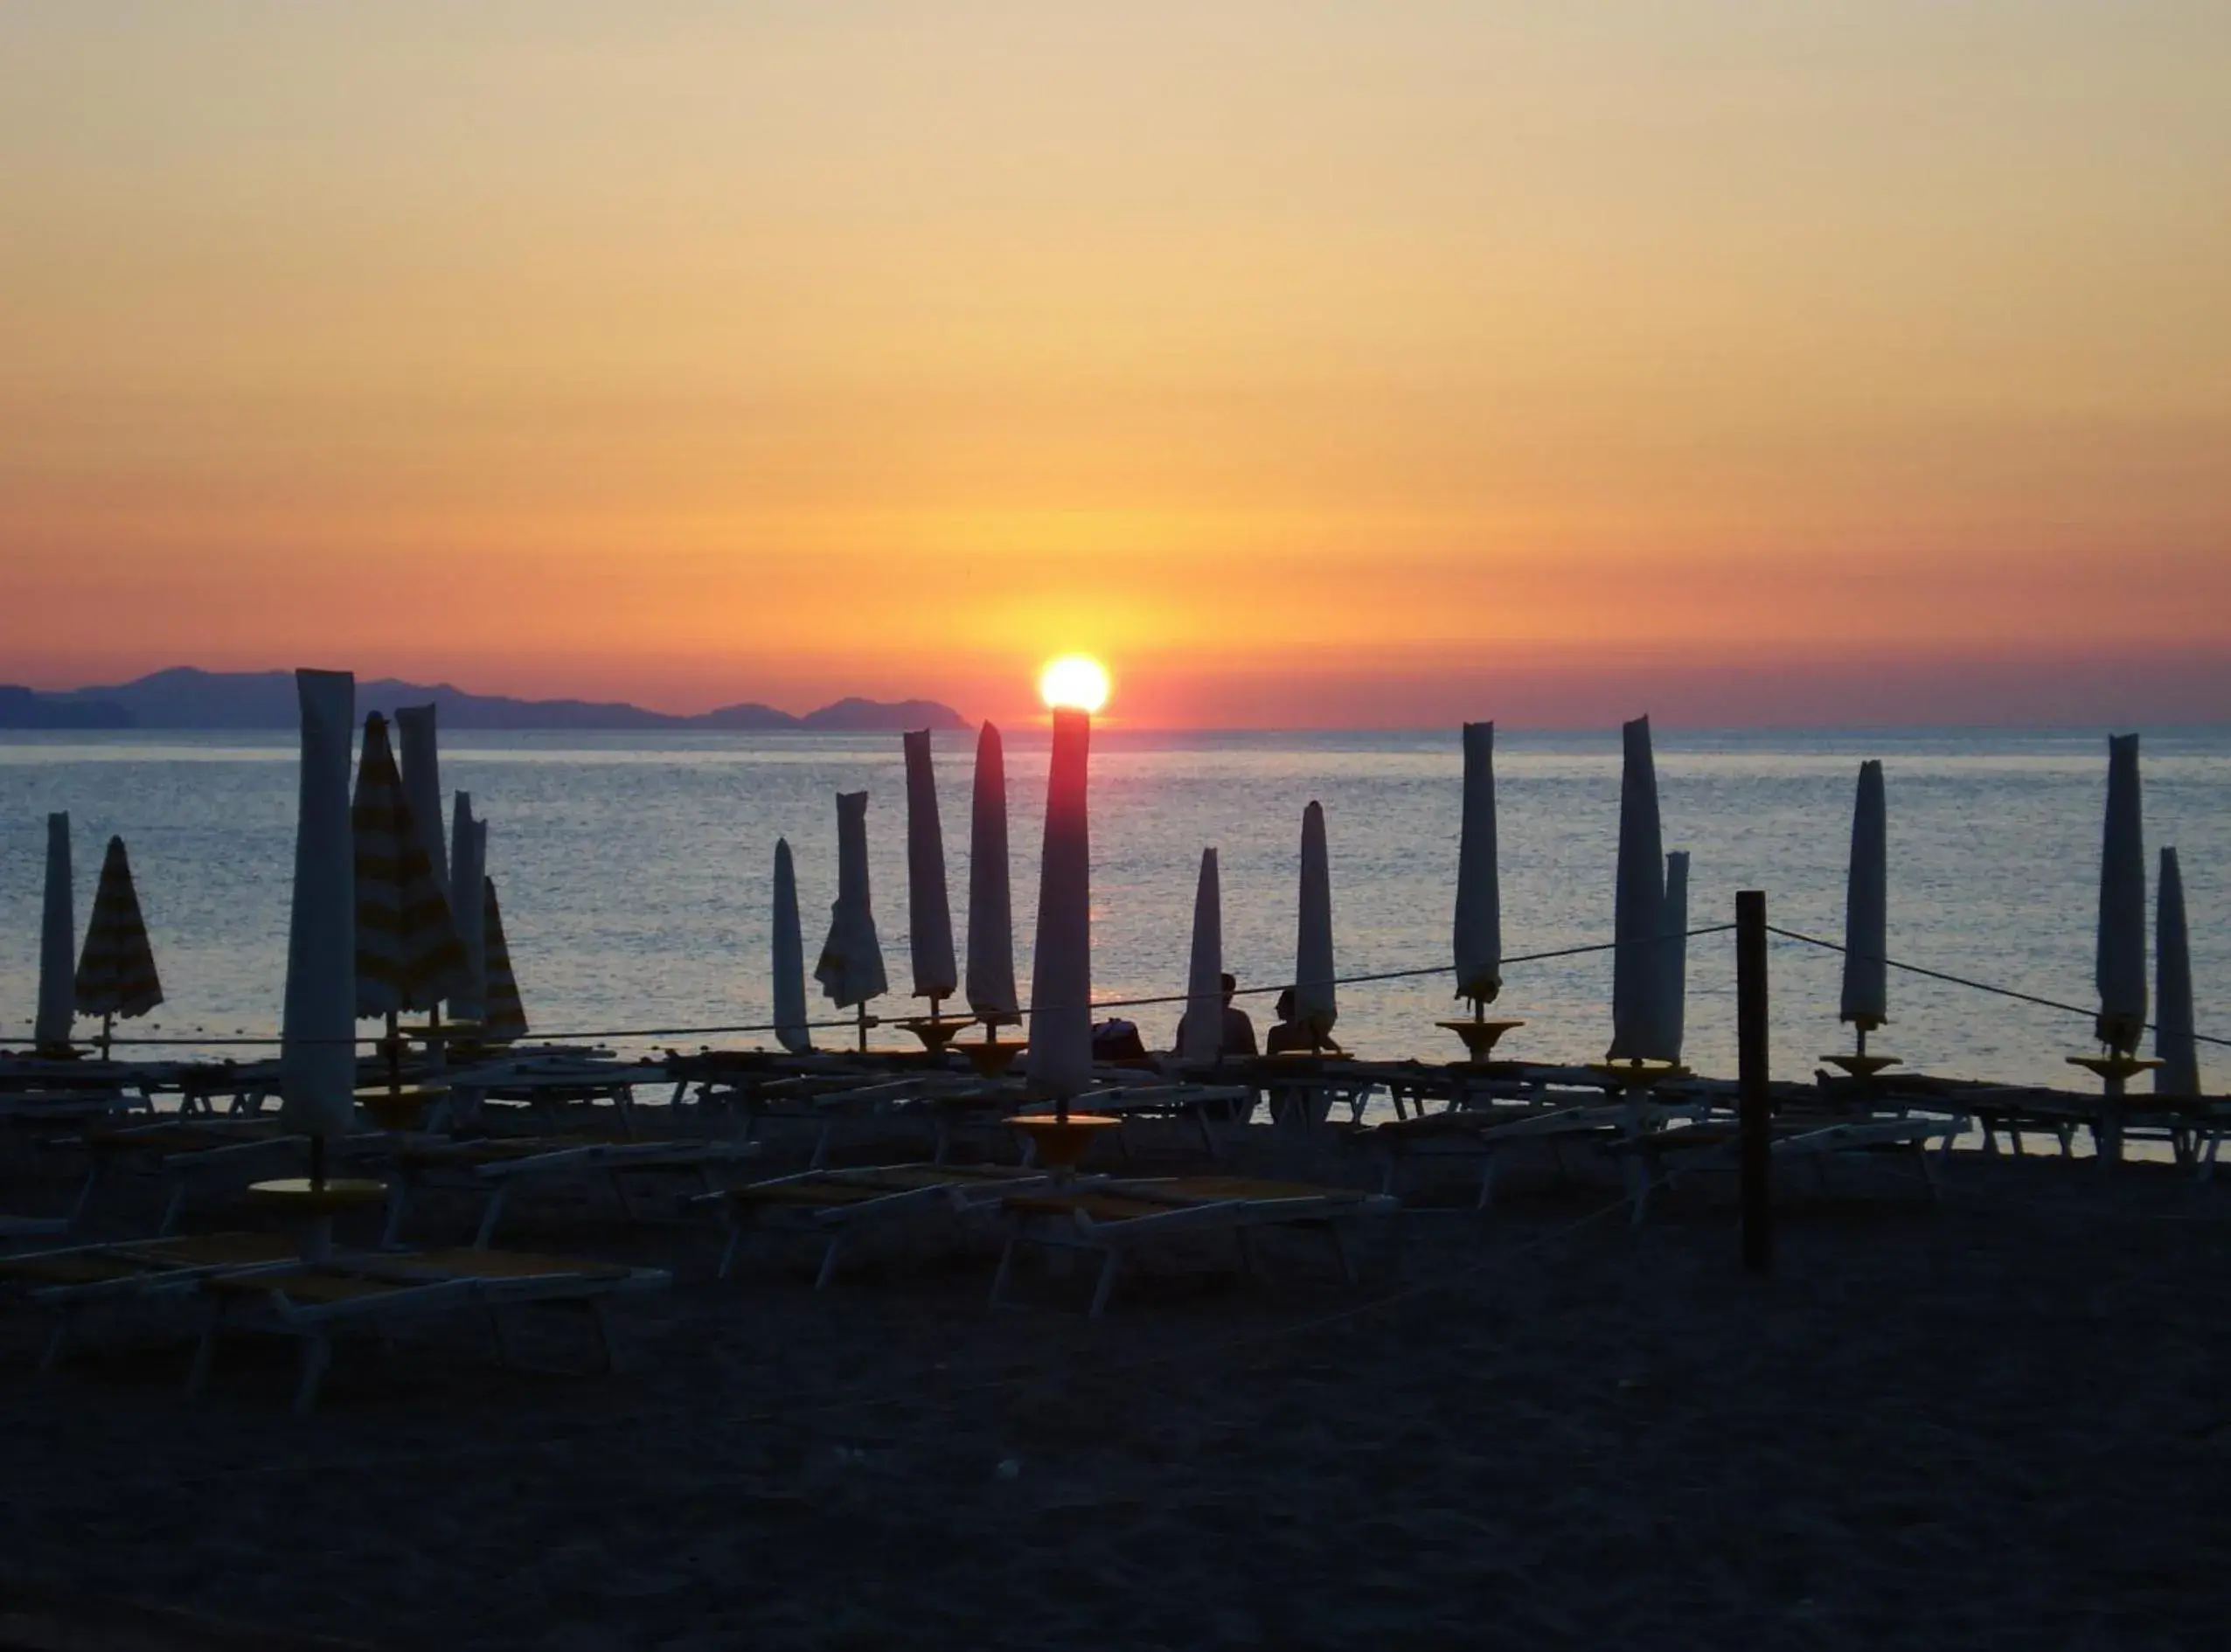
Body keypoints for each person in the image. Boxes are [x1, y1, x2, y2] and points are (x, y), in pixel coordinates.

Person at [1173, 972, 1257, 1059]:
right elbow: (1252, 1054)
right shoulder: (1239, 1019)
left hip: (1192, 1069)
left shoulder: (1189, 1017)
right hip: (1233, 1070)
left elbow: (1180, 1051)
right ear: (1230, 993)